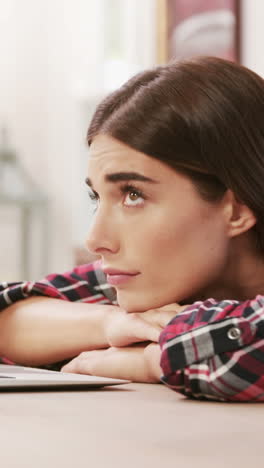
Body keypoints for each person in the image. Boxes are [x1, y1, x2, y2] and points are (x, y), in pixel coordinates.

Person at [1, 56, 264, 401]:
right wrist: (112, 325)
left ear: (236, 211)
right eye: (97, 197)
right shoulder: (154, 285)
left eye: (133, 195)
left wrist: (149, 359)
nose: (96, 239)